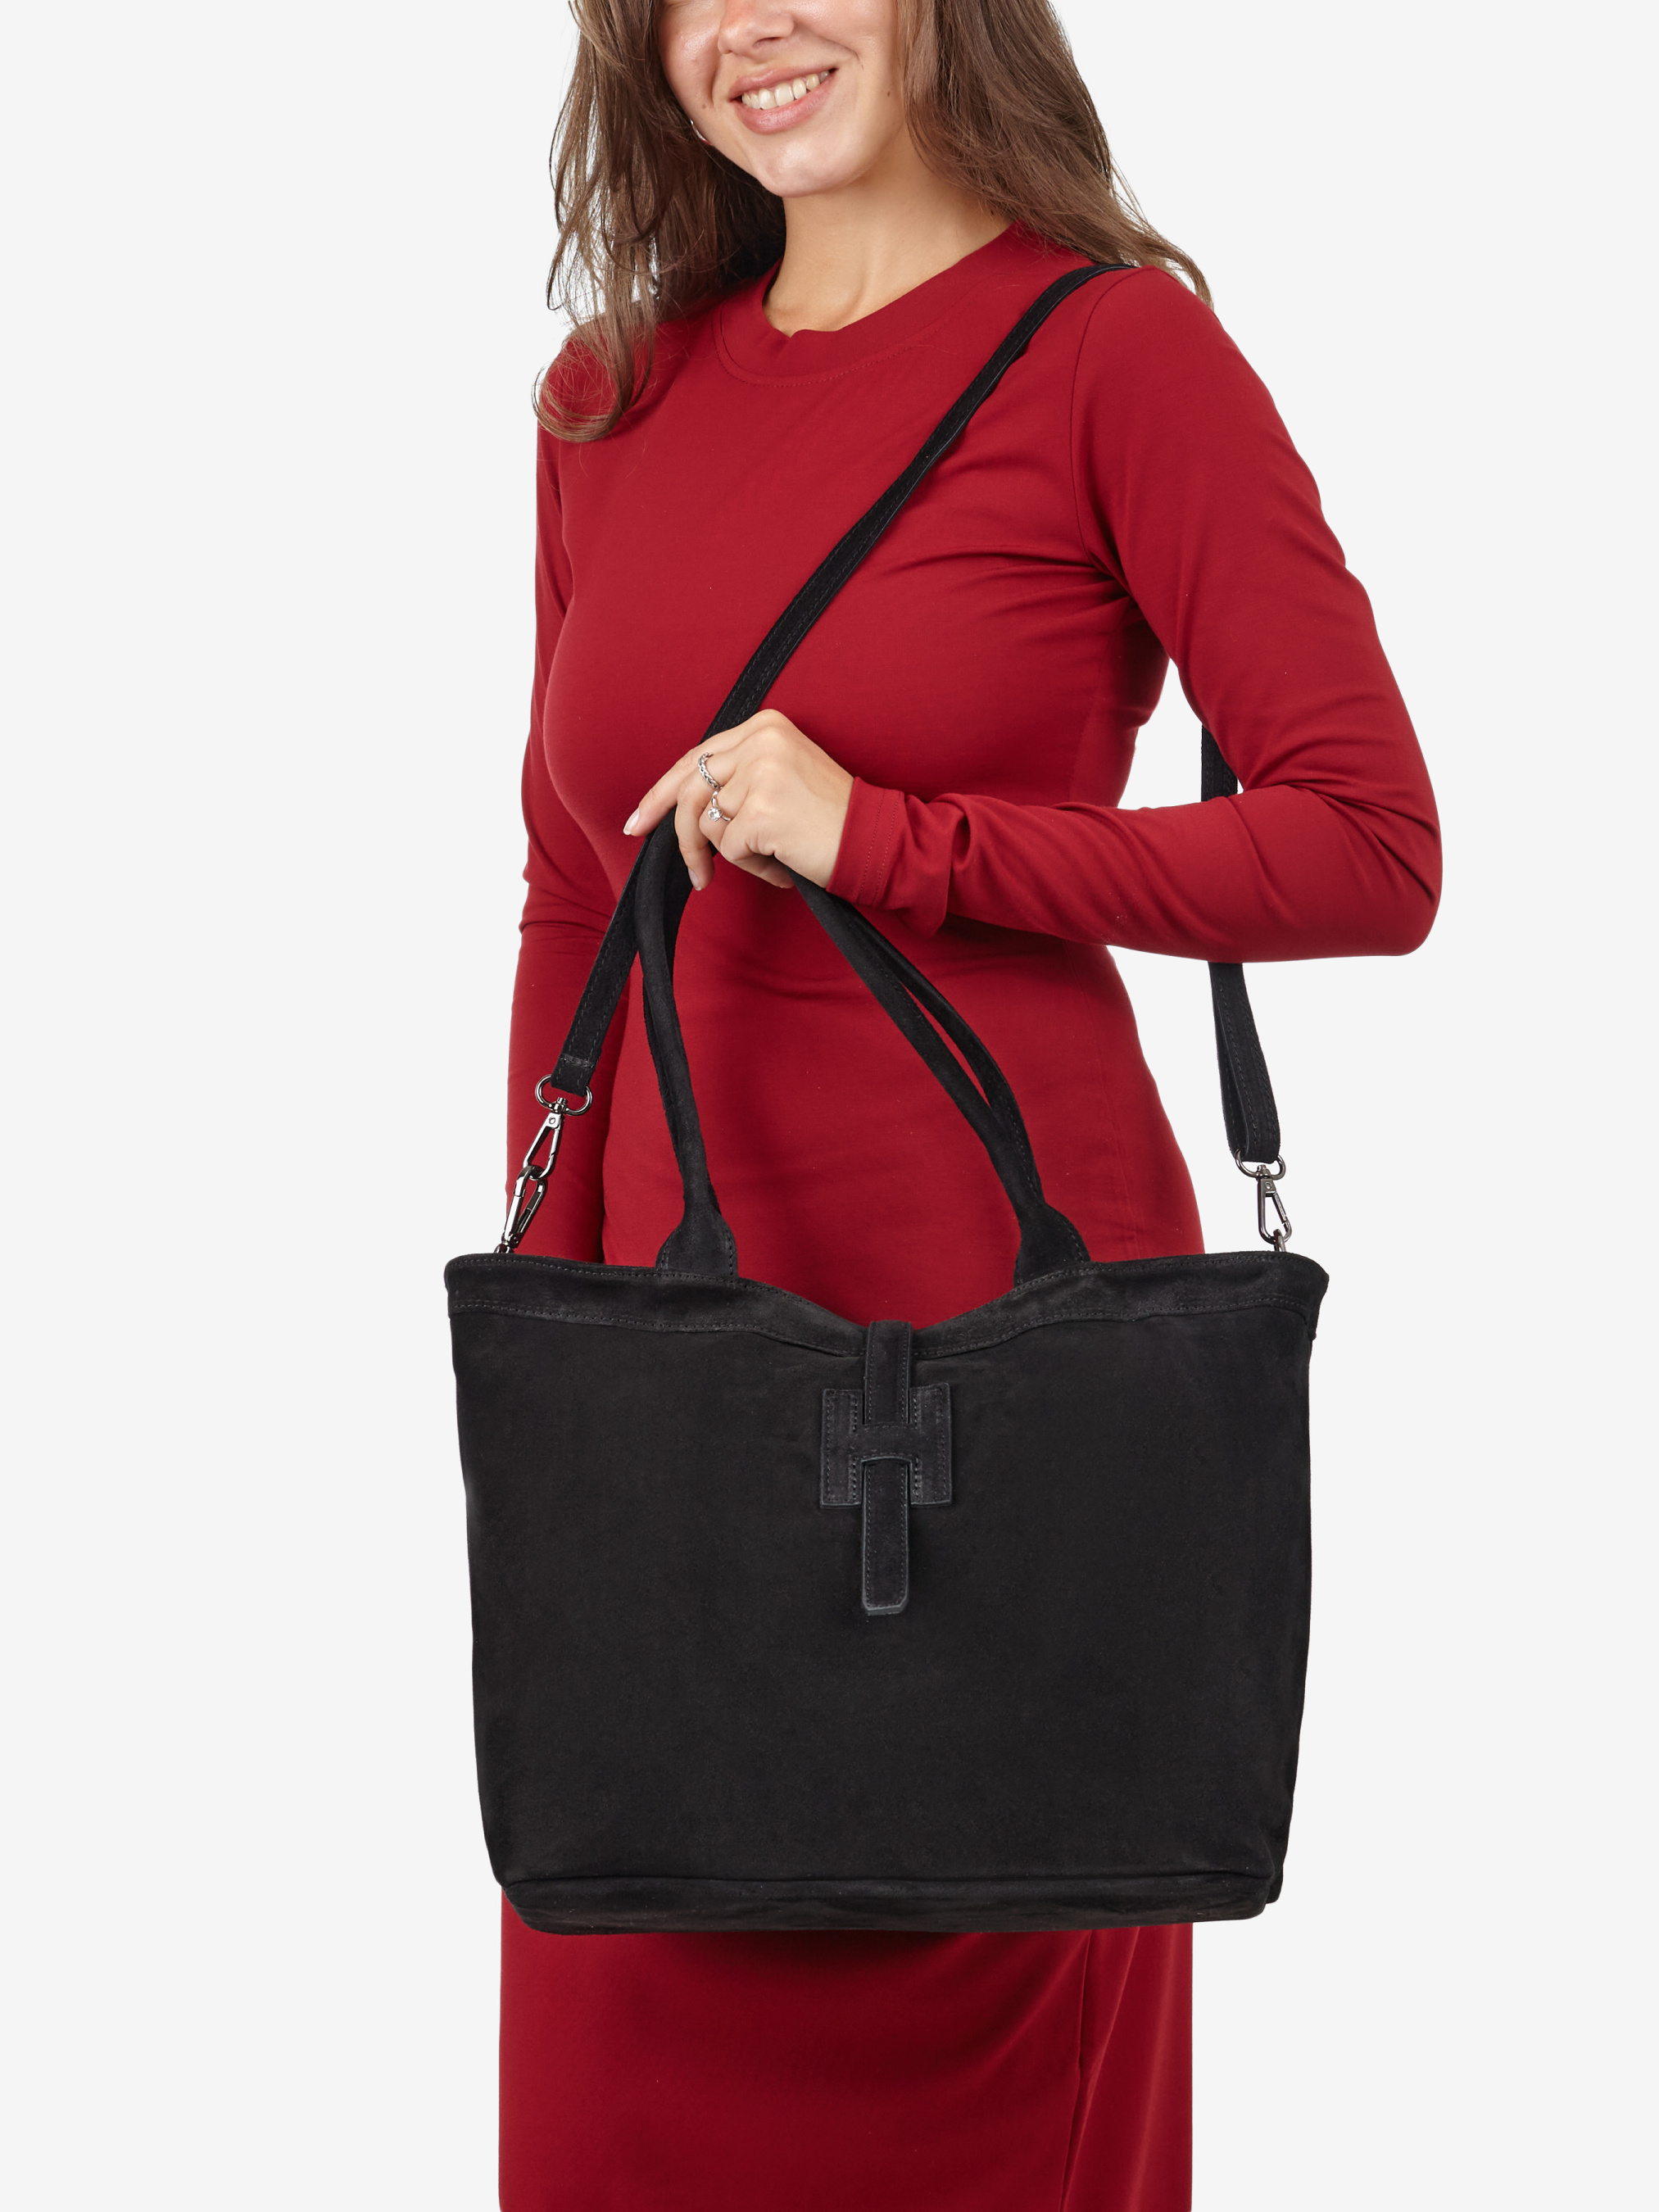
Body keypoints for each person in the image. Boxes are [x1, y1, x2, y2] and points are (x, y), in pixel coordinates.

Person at [496, 2, 1440, 2205]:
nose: (752, 25)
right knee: (621, 2018)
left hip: (1020, 1372)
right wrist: (549, 1334)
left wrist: (897, 840)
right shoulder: (607, 397)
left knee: (989, 2062)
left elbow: (1367, 846)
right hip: (668, 1407)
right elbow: (571, 894)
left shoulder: (1116, 359)